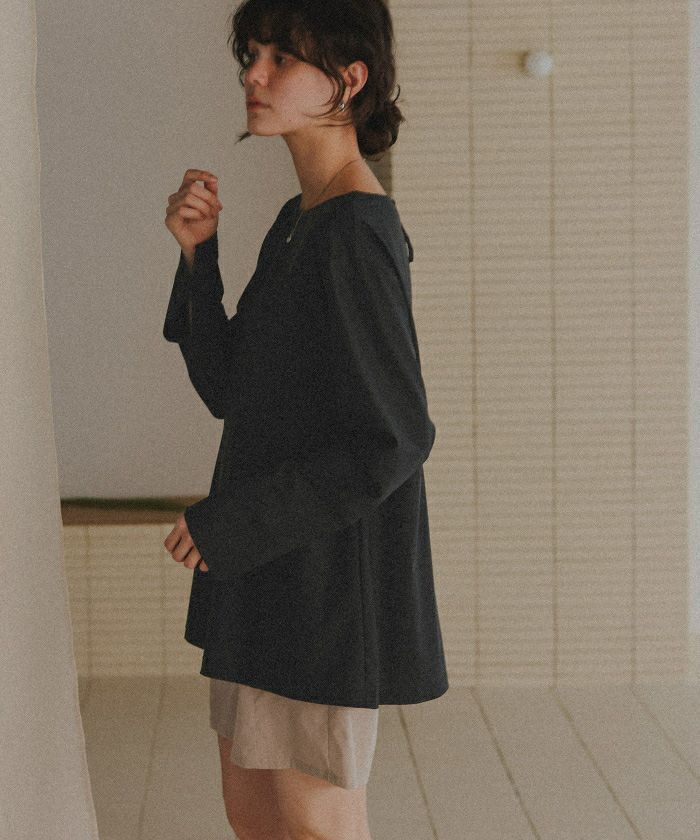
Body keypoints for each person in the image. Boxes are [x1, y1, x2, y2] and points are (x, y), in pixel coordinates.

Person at [162, 1, 448, 838]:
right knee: (255, 814)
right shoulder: (304, 220)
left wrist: (234, 523)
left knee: (314, 823)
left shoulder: (355, 230)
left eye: (282, 57)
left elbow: (394, 438)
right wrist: (198, 256)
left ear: (349, 80)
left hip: (319, 589)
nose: (254, 74)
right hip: (268, 573)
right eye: (253, 53)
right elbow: (232, 388)